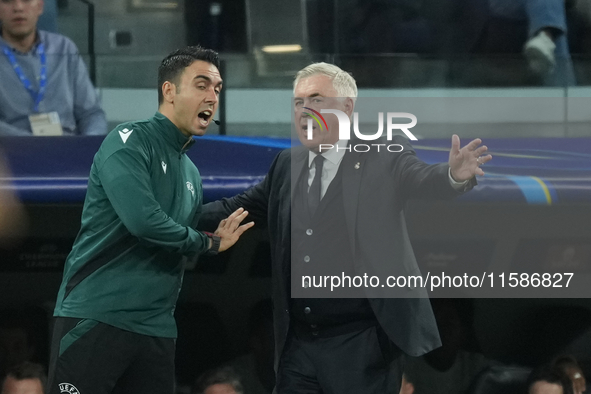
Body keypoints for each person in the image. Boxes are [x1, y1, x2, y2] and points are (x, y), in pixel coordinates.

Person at [199, 62, 492, 393]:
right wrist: (169, 212)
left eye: (316, 99)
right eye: (298, 103)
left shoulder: (383, 155)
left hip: (362, 343)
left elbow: (422, 179)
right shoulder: (286, 164)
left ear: (347, 107)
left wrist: (452, 176)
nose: (304, 110)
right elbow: (234, 208)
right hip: (299, 345)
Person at [47, 46, 254, 394]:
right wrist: (209, 242)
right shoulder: (129, 141)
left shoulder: (191, 171)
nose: (212, 97)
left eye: (217, 89)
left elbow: (179, 227)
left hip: (156, 328)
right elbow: (144, 223)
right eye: (202, 85)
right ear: (169, 91)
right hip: (98, 317)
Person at [0, 0, 107, 136]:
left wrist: (88, 146)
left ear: (40, 6)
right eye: (7, 1)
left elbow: (91, 113)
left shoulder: (64, 48)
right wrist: (35, 145)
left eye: (26, 0)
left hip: (68, 148)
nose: (18, 8)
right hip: (12, 149)